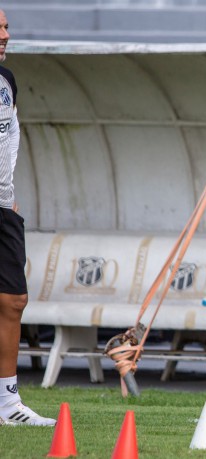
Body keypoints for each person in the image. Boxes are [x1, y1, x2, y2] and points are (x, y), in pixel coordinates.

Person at [0, 10, 56, 427]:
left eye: (6, 26)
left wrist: (10, 195)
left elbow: (12, 135)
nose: (6, 35)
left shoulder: (7, 82)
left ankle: (7, 405)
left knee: (13, 300)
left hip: (3, 207)